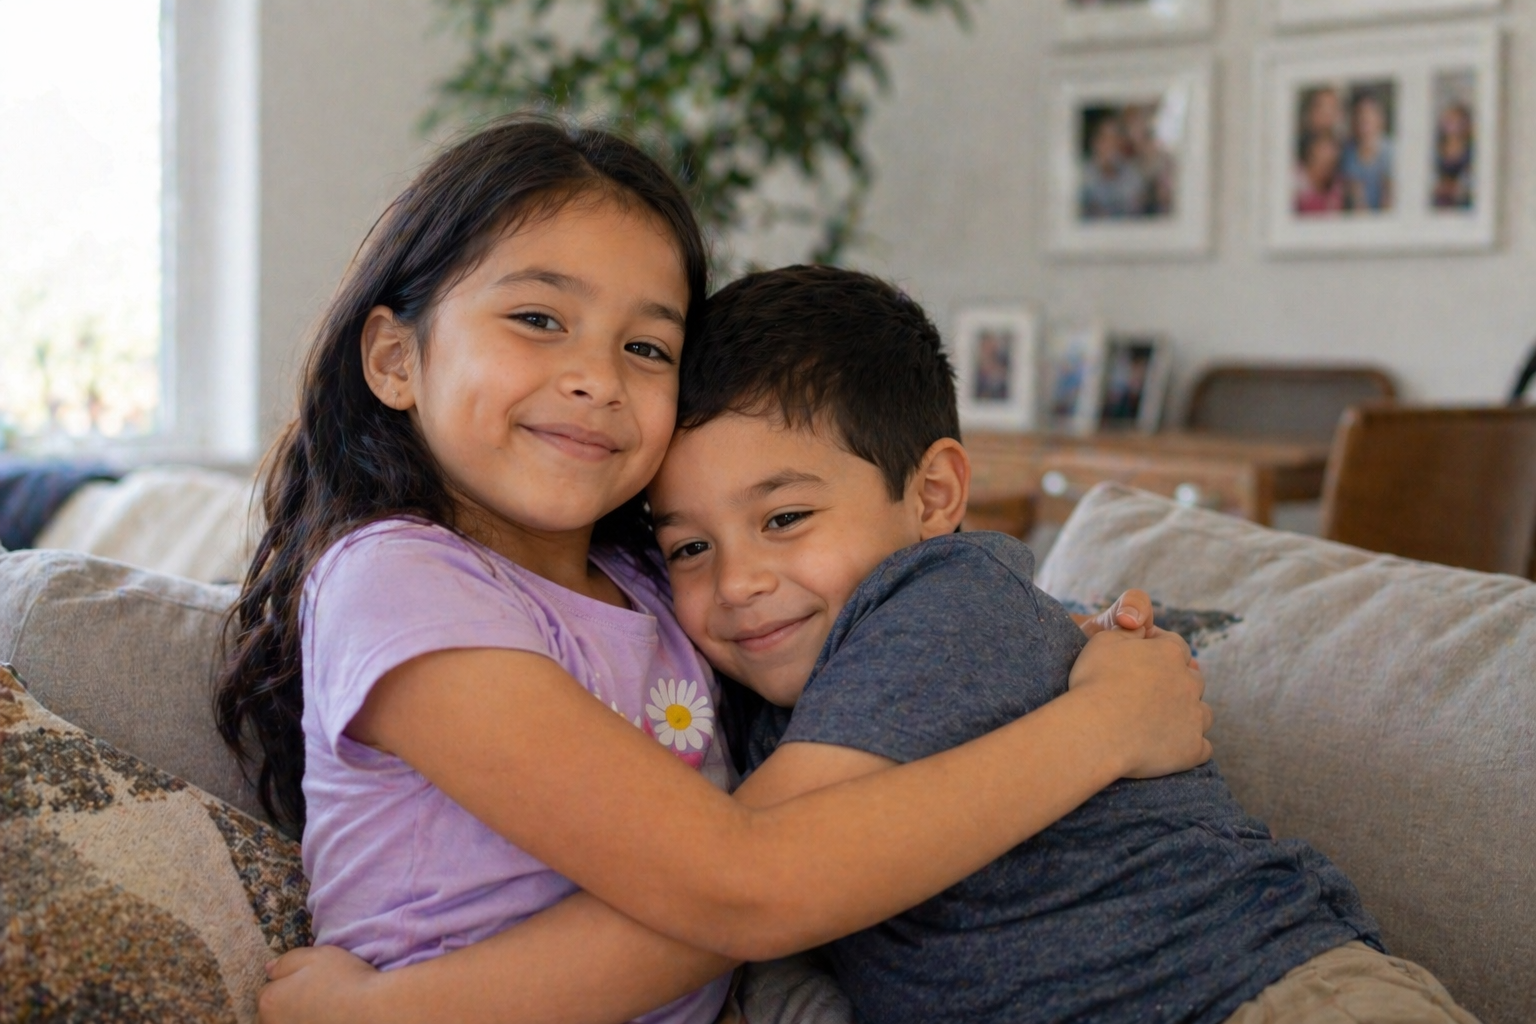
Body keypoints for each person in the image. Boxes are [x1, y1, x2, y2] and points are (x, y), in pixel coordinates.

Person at [229, 116, 1211, 1024]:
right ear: (397, 357)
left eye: (647, 345)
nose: (596, 377)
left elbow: (894, 671)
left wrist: (1075, 646)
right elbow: (744, 886)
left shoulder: (669, 585)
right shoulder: (396, 580)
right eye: (537, 317)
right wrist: (1107, 725)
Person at [645, 266, 1480, 1024]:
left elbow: (729, 870)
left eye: (784, 519)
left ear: (934, 496)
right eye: (689, 548)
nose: (737, 582)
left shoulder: (939, 602)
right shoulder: (760, 700)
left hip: (1265, 990)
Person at [1341, 90, 1394, 213]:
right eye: (1359, 114)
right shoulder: (1349, 154)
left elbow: (1388, 200)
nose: (1364, 119)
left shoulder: (1390, 151)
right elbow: (1358, 202)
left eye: (1370, 113)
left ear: (1380, 118)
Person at [1294, 130, 1346, 216]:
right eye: (1323, 148)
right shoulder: (1297, 175)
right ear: (1312, 150)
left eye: (1332, 148)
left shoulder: (1337, 184)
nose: (1329, 153)